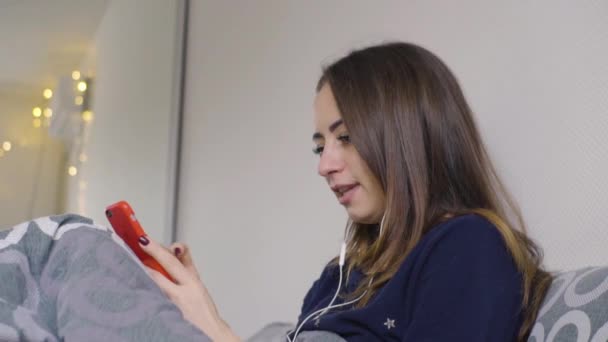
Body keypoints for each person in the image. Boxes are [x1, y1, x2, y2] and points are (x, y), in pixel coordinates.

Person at [138, 41, 552, 341]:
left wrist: (216, 331)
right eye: (320, 146)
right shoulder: (340, 276)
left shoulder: (469, 248)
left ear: (408, 136)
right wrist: (200, 316)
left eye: (347, 137)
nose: (324, 166)